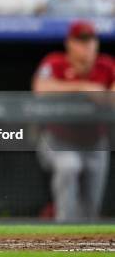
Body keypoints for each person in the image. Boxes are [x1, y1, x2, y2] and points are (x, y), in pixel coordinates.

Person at [33, 20, 113, 222]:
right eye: (81, 40)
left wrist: (106, 95)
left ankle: (84, 242)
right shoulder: (55, 62)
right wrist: (84, 87)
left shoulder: (106, 65)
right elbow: (41, 89)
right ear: (69, 43)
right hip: (58, 140)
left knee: (91, 206)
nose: (87, 46)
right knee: (69, 166)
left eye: (90, 40)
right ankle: (63, 228)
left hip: (95, 142)